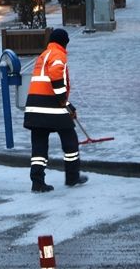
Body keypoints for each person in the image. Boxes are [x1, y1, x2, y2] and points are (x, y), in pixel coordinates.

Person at [23, 28, 88, 192]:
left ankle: (37, 182)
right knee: (70, 140)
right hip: (51, 106)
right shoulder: (58, 54)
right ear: (64, 42)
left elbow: (45, 83)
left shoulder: (44, 54)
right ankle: (72, 177)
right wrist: (63, 101)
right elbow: (56, 75)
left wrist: (67, 103)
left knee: (39, 147)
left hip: (34, 106)